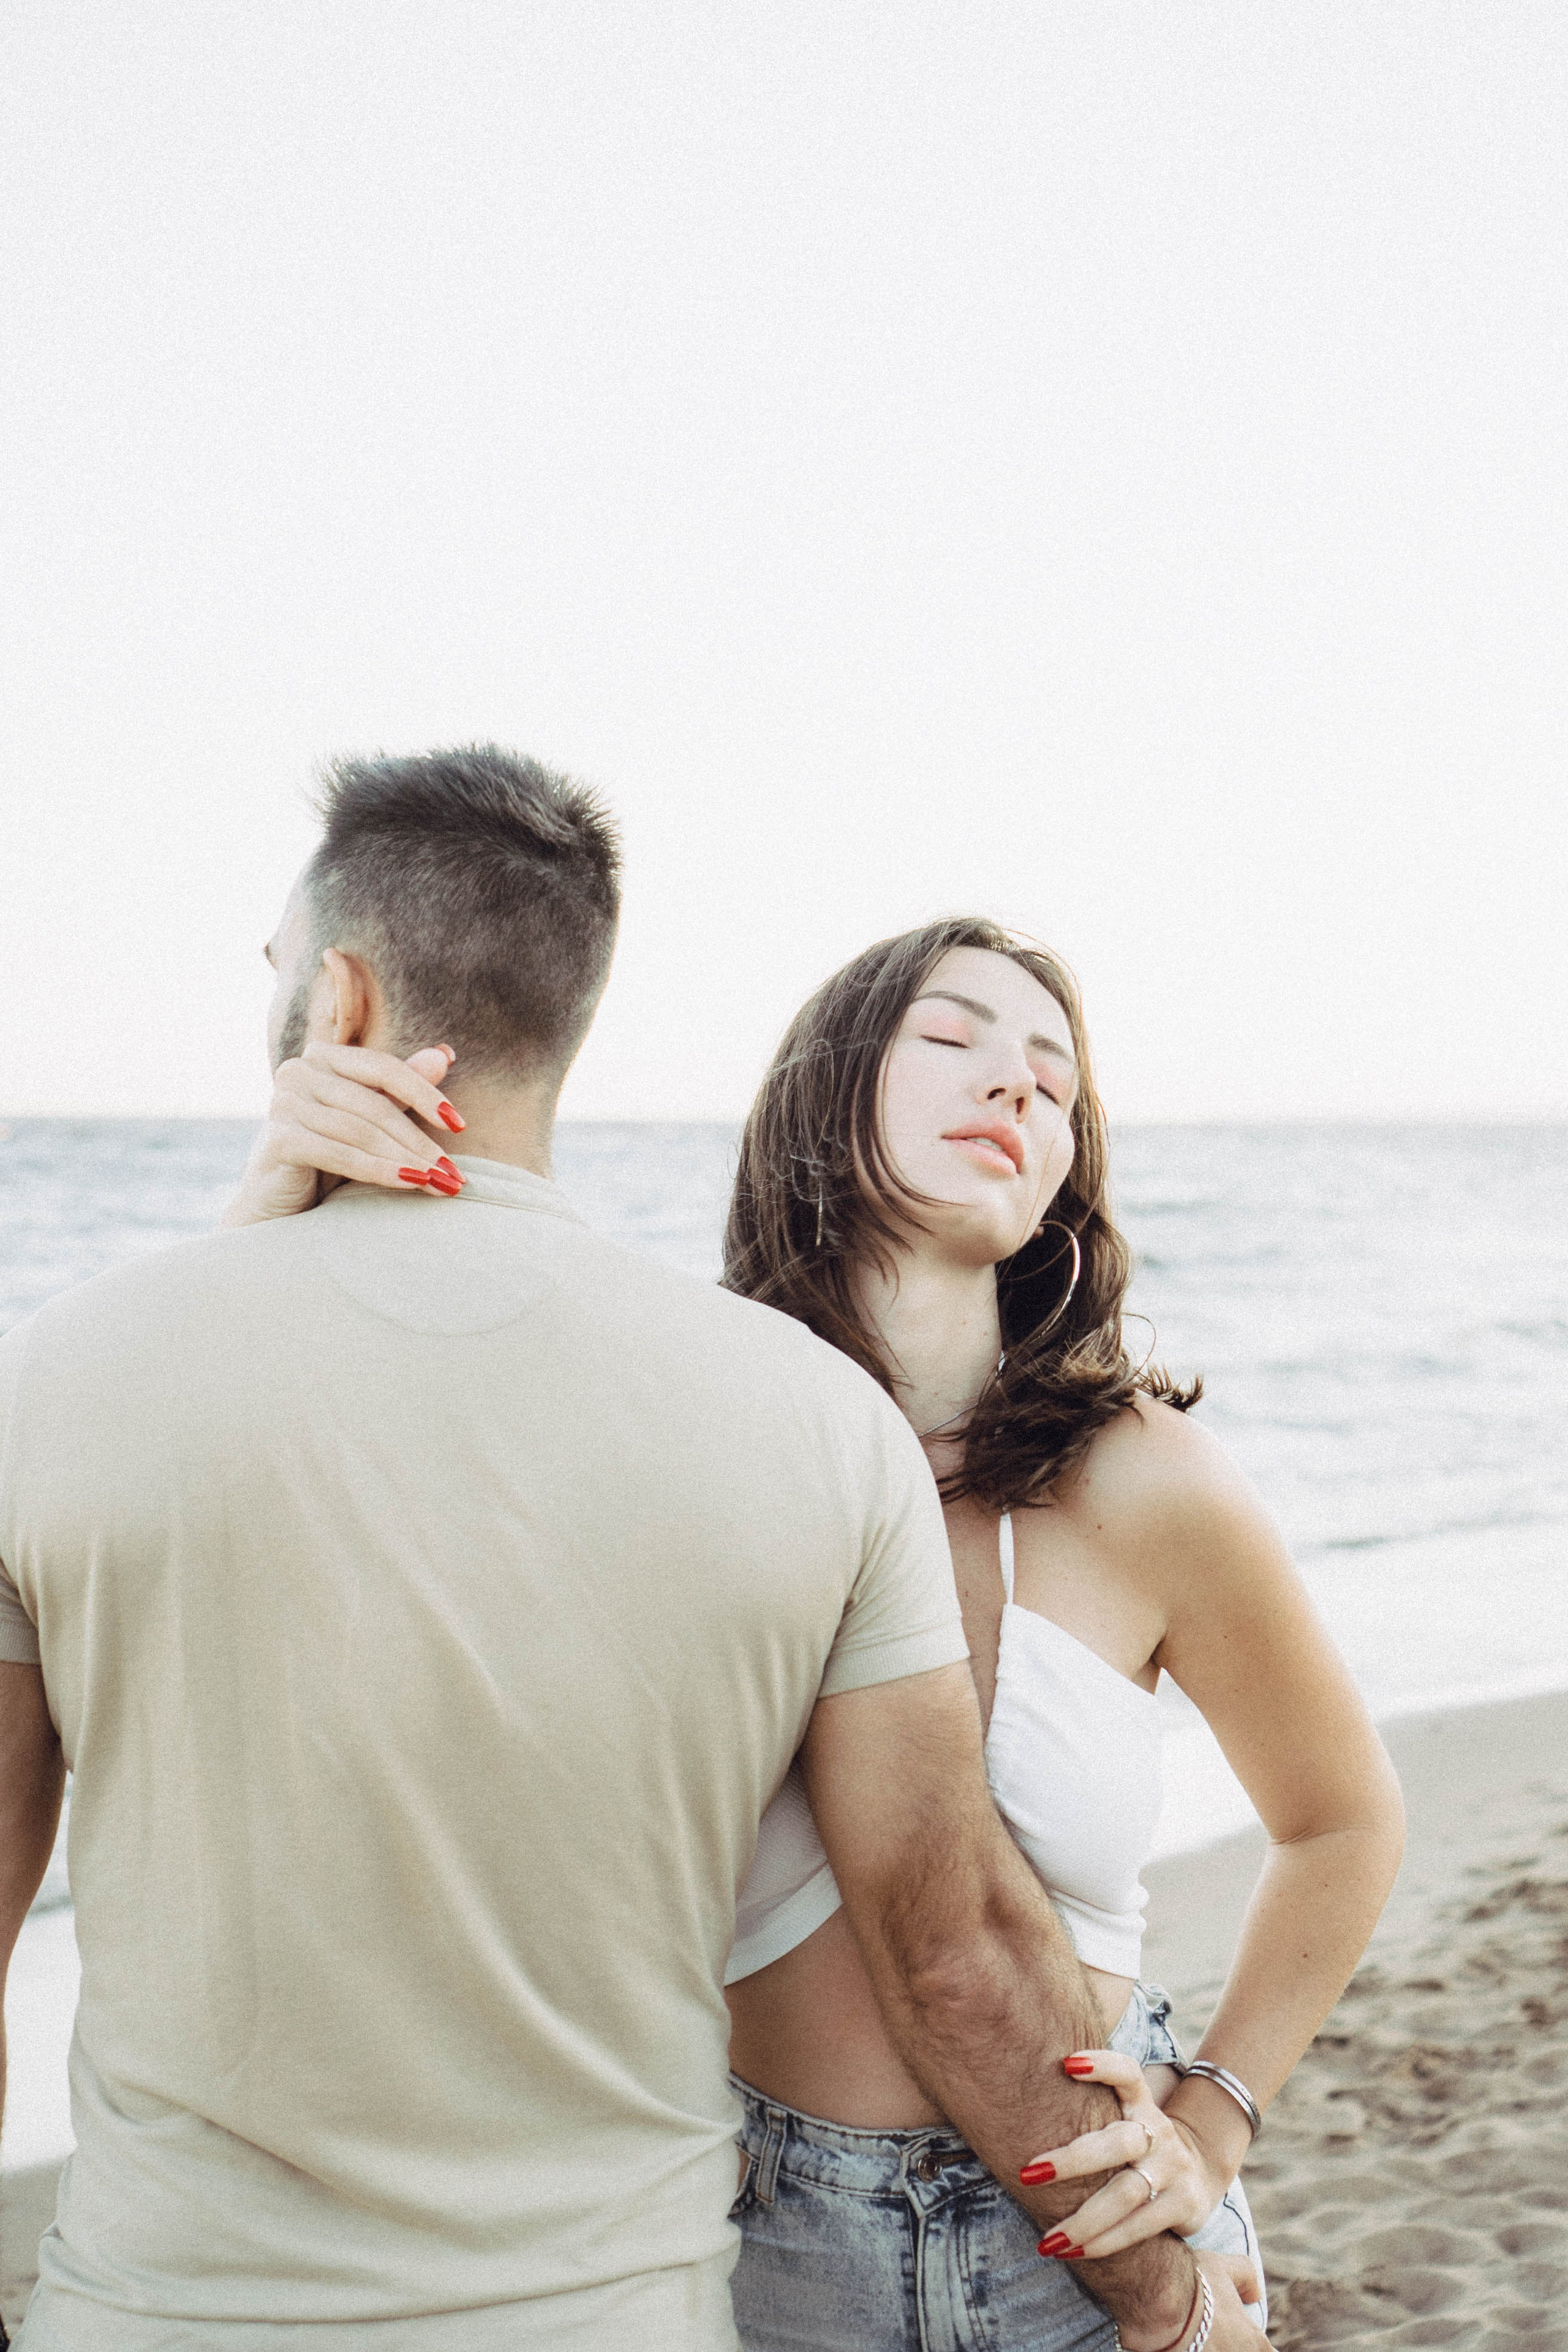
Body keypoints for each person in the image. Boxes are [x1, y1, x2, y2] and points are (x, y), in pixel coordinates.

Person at [0, 752, 1261, 2352]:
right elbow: (952, 1950)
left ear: (342, 998)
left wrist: (234, 1249)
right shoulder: (808, 1427)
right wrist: (1165, 2302)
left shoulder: (53, 1384)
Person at [250, 908, 1406, 2350]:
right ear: (827, 1083)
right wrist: (287, 1202)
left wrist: (1212, 2124)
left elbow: (1340, 1824)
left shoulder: (1140, 1481)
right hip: (762, 2232)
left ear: (1061, 1174)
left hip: (1090, 2224)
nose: (1014, 1085)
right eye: (951, 1037)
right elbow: (332, 1537)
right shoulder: (673, 1432)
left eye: (1054, 1082)